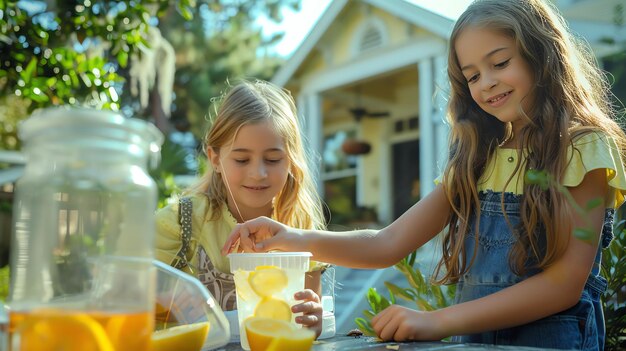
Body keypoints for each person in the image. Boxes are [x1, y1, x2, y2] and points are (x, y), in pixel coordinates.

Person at [221, 0, 626, 349]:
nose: (486, 83)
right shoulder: (477, 162)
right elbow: (387, 243)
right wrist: (290, 238)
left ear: (541, 54)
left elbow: (564, 284)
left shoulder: (583, 148)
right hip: (474, 345)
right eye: (471, 76)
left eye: (500, 62)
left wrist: (438, 321)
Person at [155, 79, 327, 337]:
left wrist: (313, 321)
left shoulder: (299, 227)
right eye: (241, 159)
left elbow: (305, 325)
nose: (257, 173)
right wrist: (166, 302)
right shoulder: (182, 222)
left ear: (291, 161)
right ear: (215, 159)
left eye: (272, 159)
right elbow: (123, 292)